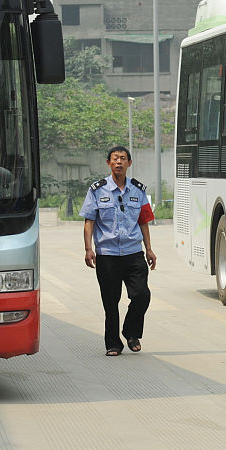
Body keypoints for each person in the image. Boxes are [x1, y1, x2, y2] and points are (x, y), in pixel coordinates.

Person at [80, 146, 157, 356]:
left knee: (142, 295)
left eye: (123, 159)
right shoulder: (97, 190)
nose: (119, 162)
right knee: (110, 302)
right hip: (107, 255)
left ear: (129, 163)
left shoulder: (138, 190)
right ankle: (113, 343)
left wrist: (149, 249)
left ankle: (131, 332)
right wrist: (88, 249)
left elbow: (143, 221)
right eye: (115, 159)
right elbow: (89, 221)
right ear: (109, 163)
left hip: (134, 253)